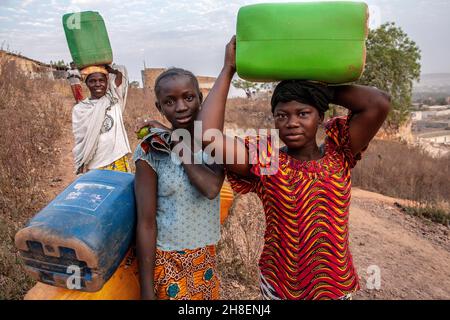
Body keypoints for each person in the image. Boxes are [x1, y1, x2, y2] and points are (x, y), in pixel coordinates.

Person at [195, 36, 391, 300]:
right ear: (274, 121)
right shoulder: (266, 161)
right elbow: (208, 136)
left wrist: (314, 88)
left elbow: (379, 102)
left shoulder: (339, 153)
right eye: (282, 115)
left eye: (303, 113)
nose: (292, 122)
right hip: (280, 285)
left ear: (320, 117)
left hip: (334, 285)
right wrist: (228, 69)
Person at [133, 68, 225, 300]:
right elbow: (146, 223)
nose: (181, 107)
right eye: (170, 101)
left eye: (188, 97)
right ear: (159, 108)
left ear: (200, 99)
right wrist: (146, 289)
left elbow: (211, 187)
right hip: (168, 261)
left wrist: (176, 142)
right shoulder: (150, 150)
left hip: (206, 257)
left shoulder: (214, 144)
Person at [72, 64, 131, 174]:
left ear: (107, 82)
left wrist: (112, 70)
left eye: (101, 80)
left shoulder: (114, 100)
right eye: (92, 81)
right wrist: (81, 161)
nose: (98, 84)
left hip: (117, 159)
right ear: (86, 83)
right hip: (95, 163)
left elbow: (120, 76)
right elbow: (80, 139)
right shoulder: (80, 109)